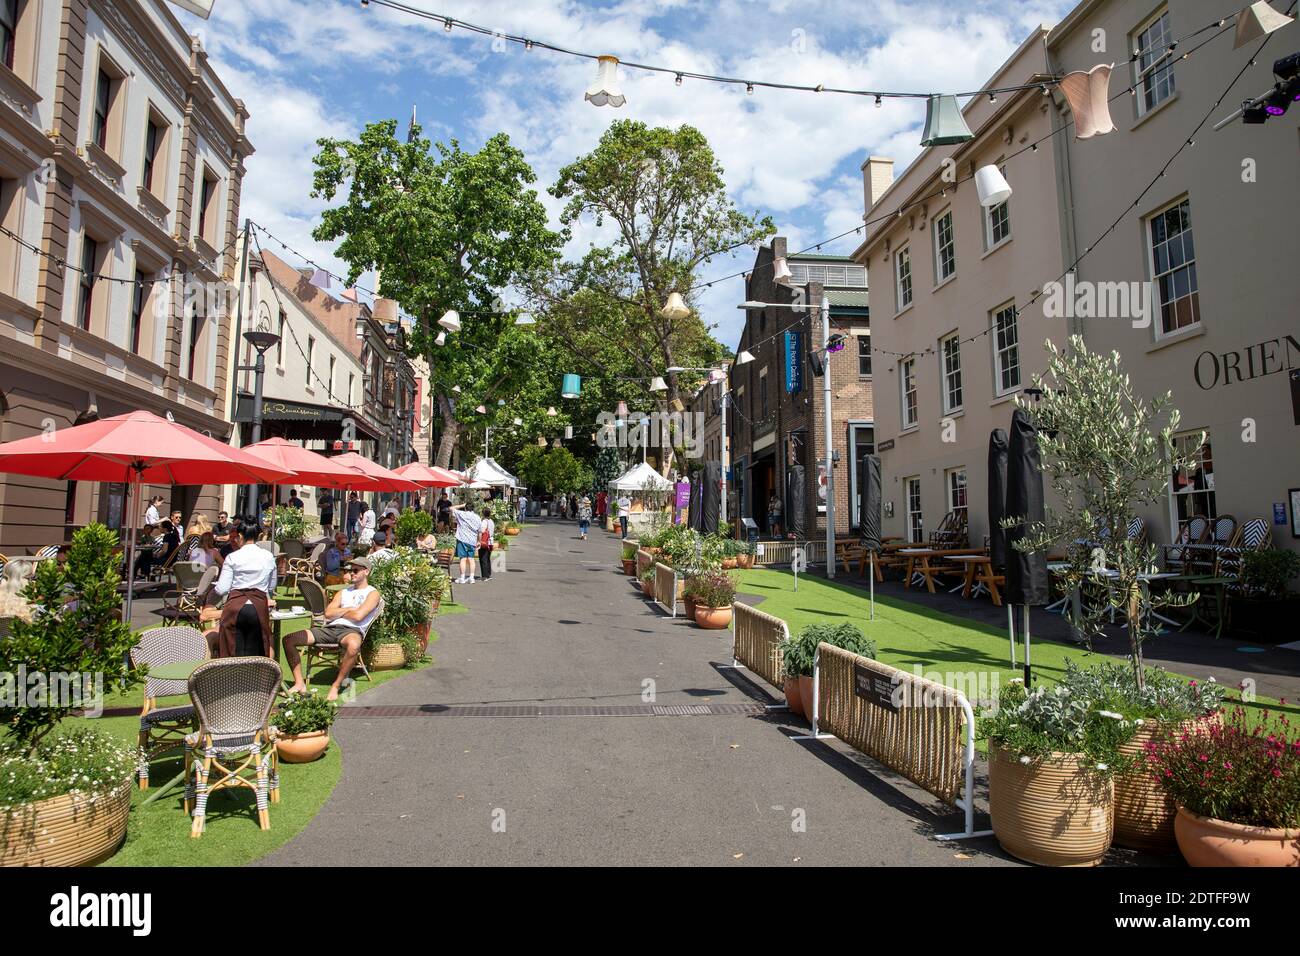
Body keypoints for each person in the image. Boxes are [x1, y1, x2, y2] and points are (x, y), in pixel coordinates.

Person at [284, 556, 382, 700]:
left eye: (355, 570)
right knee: (289, 639)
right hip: (330, 628)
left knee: (354, 645)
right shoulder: (343, 592)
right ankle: (299, 683)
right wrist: (349, 609)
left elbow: (358, 617)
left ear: (366, 572)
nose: (351, 573)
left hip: (351, 631)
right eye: (349, 570)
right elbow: (329, 614)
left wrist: (342, 611)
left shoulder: (372, 593)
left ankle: (336, 685)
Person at [207, 520, 277, 658]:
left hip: (235, 606)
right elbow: (272, 586)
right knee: (257, 650)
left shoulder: (233, 557)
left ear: (240, 536)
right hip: (258, 606)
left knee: (231, 649)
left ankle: (233, 678)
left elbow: (222, 589)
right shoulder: (268, 556)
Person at [449, 500, 483, 584]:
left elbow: (451, 508)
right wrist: (479, 541)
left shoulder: (461, 514)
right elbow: (480, 532)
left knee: (463, 559)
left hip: (462, 539)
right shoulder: (477, 517)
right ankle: (471, 578)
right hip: (472, 540)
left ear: (465, 508)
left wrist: (461, 505)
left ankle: (462, 577)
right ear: (473, 509)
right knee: (471, 559)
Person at [478, 506, 495, 581]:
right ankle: (488, 574)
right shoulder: (491, 521)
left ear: (483, 513)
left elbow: (482, 531)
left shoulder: (484, 521)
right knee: (487, 558)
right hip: (491, 541)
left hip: (485, 542)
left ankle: (484, 576)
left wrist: (478, 540)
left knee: (483, 558)